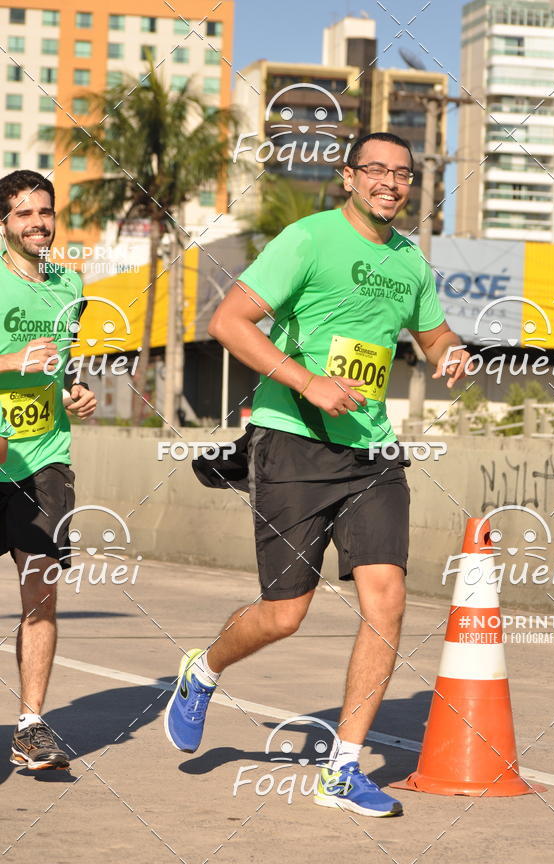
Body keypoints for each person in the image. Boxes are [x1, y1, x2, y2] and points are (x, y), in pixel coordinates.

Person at [164, 133, 470, 816]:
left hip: (371, 451)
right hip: (294, 442)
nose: (391, 182)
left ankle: (342, 767)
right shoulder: (307, 238)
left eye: (403, 173)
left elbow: (433, 334)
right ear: (348, 176)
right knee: (283, 614)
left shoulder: (409, 261)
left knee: (386, 598)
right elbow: (229, 321)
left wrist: (452, 353)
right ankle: (205, 669)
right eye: (377, 170)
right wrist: (309, 381)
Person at [0, 170, 97, 770]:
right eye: (23, 214)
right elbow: (21, 361)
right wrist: (11, 358)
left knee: (41, 589)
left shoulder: (72, 284)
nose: (38, 223)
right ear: (3, 223)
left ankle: (31, 725)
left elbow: (61, 370)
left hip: (43, 459)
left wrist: (74, 393)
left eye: (46, 212)